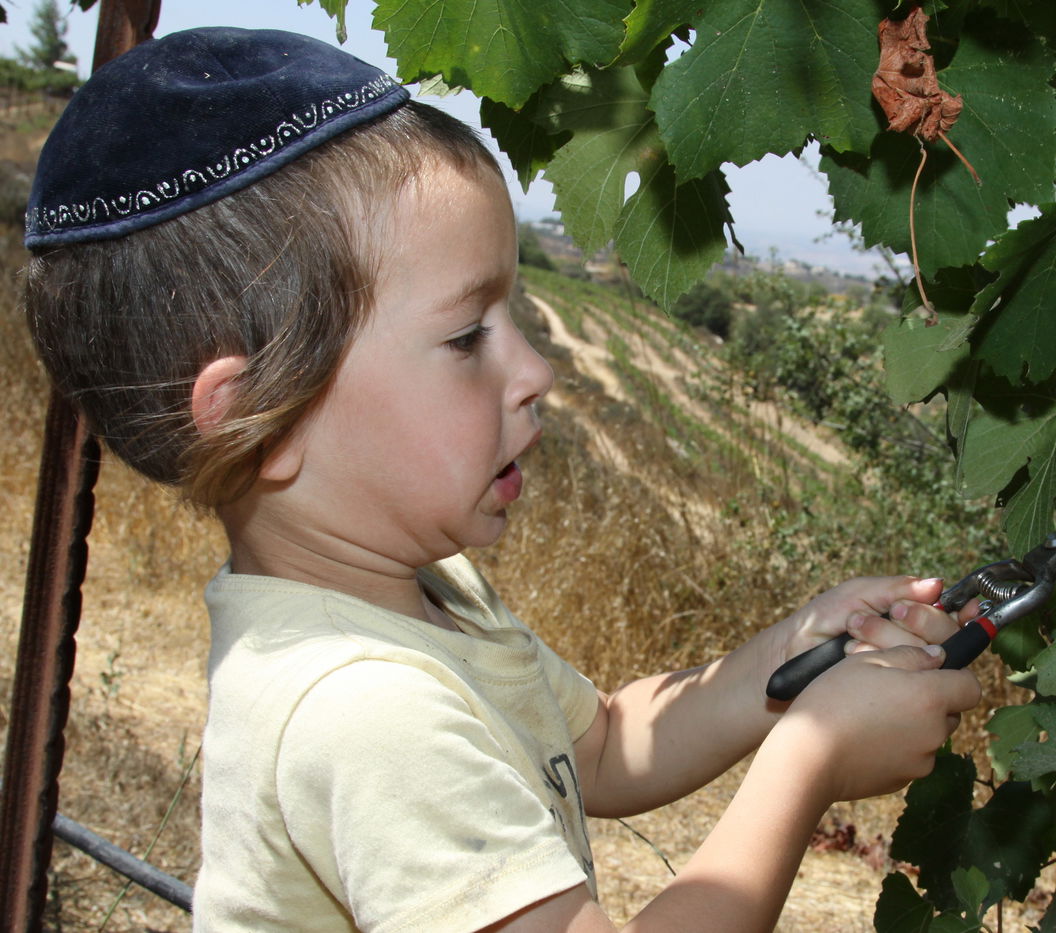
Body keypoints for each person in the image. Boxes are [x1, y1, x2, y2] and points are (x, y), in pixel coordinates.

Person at [22, 27, 982, 933]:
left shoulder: (424, 596)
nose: (538, 372)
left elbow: (601, 745)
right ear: (259, 412)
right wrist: (806, 761)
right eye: (466, 335)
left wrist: (792, 649)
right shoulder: (364, 713)